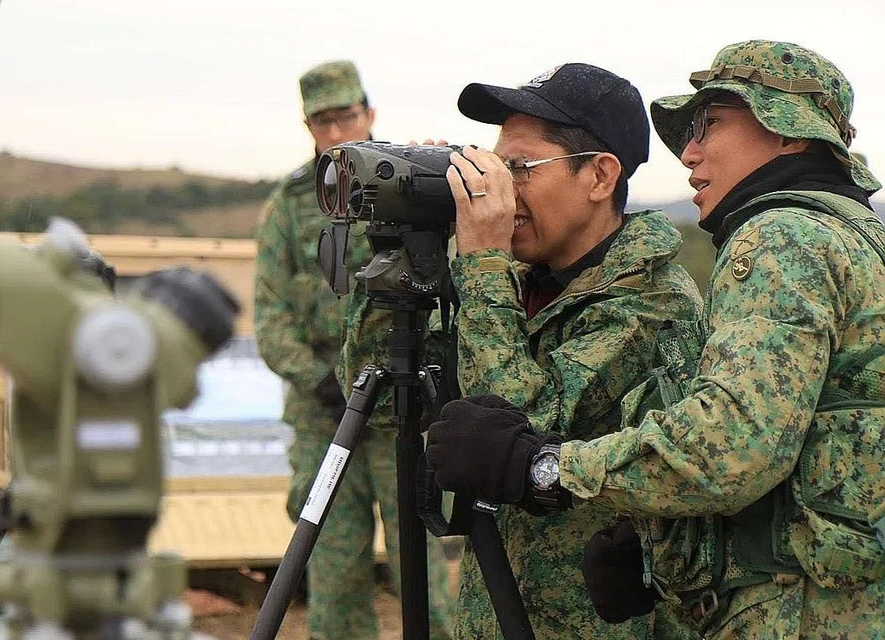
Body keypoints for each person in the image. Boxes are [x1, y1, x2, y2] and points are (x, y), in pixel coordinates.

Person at [425, 40, 885, 639]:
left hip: (802, 613)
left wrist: (545, 467)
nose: (689, 153)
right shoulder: (851, 235)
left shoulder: (781, 238)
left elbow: (733, 445)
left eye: (709, 125)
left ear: (789, 134)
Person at [339, 63, 704, 638]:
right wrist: (407, 240)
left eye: (519, 169)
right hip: (495, 610)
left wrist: (481, 263)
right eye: (493, 167)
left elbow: (512, 434)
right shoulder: (517, 283)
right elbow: (384, 399)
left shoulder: (650, 301)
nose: (499, 190)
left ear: (600, 177)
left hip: (589, 624)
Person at [253, 60, 453, 640]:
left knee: (423, 578)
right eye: (322, 123)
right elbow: (270, 316)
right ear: (308, 126)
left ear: (369, 114)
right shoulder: (289, 207)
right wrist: (320, 379)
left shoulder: (407, 189)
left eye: (345, 118)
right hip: (323, 419)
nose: (336, 134)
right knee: (334, 580)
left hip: (401, 415)